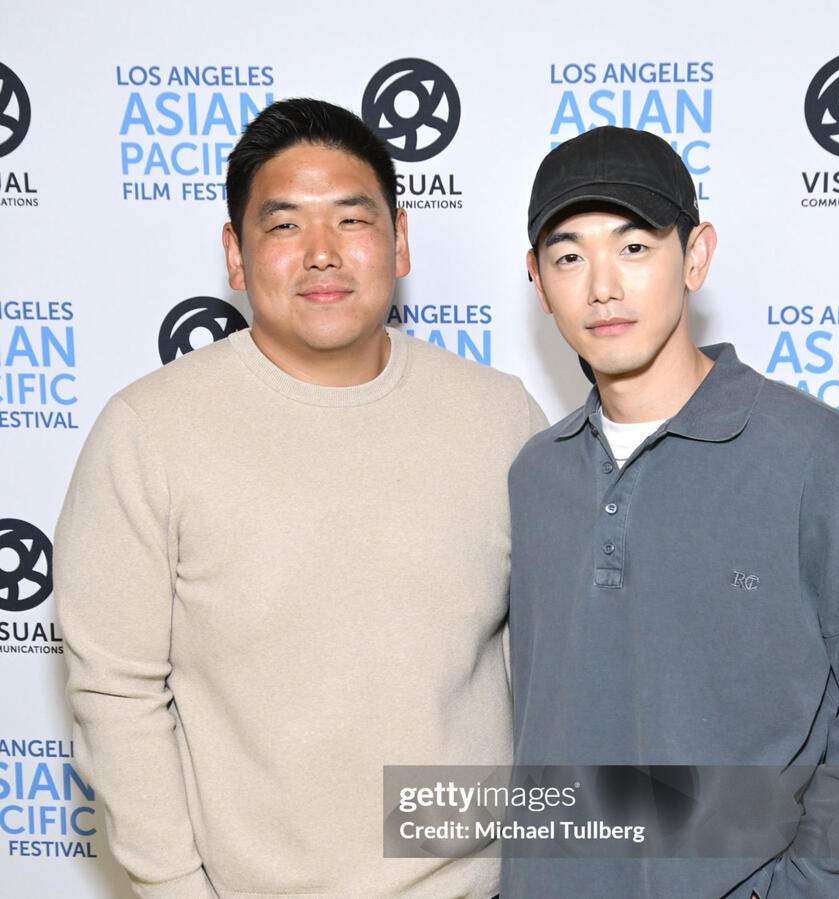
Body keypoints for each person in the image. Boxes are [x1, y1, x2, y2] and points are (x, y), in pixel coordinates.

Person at [55, 98, 546, 899]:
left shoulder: (499, 415)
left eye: (351, 220)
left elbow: (559, 664)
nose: (322, 254)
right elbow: (115, 692)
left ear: (400, 238)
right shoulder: (149, 431)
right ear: (236, 255)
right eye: (284, 225)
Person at [502, 126, 839, 898]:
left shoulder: (819, 454)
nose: (601, 287)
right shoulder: (533, 473)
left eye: (634, 247)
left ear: (695, 255)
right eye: (568, 256)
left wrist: (805, 886)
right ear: (538, 280)